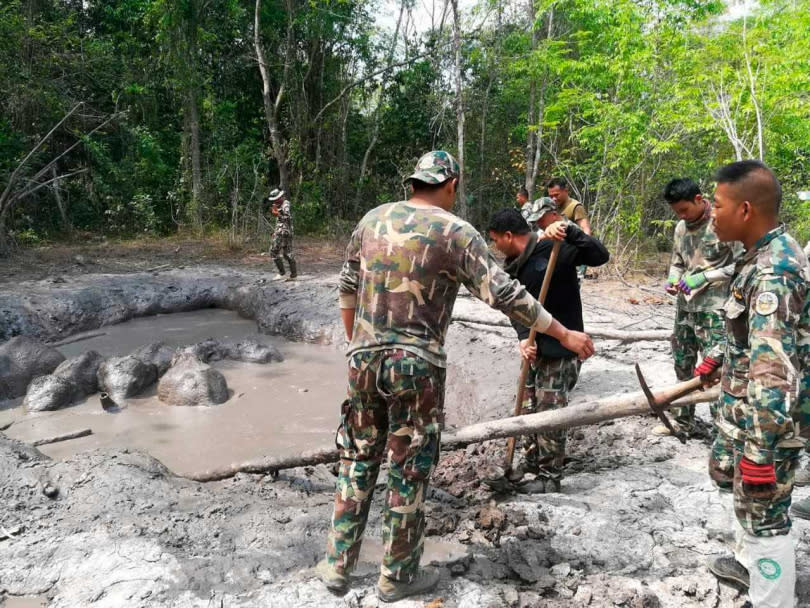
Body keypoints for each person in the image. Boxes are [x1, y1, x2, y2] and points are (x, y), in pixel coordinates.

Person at [317, 151, 595, 602]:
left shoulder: (372, 220)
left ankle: (336, 566)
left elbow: (347, 287)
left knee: (357, 459)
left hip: (363, 361)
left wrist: (357, 344)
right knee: (409, 468)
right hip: (416, 365)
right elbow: (505, 293)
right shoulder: (455, 231)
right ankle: (396, 578)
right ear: (452, 184)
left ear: (413, 183)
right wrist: (562, 332)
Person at [705, 160, 809, 608]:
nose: (711, 212)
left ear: (745, 209)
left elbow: (773, 370)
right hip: (746, 416)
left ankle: (771, 600)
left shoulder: (773, 273)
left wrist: (760, 452)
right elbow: (751, 343)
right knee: (747, 501)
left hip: (768, 426)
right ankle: (751, 567)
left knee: (766, 514)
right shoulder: (757, 256)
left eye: (718, 204)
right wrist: (718, 358)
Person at [488, 203, 609, 492]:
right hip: (534, 348)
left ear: (507, 235)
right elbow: (516, 309)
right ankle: (532, 462)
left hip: (562, 350)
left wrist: (571, 231)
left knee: (550, 414)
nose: (495, 247)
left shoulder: (554, 248)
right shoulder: (514, 266)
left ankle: (549, 478)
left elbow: (600, 256)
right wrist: (521, 338)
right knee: (529, 410)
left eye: (495, 240)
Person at [657, 178, 741, 448]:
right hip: (686, 307)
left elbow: (741, 265)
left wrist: (705, 277)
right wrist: (673, 278)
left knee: (715, 367)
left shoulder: (722, 224)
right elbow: (678, 261)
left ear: (698, 199)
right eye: (676, 212)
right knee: (682, 363)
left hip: (714, 308)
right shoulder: (681, 227)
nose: (681, 216)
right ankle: (683, 421)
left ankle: (723, 432)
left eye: (684, 209)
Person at [267, 188, 297, 281]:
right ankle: (293, 275)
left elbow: (287, 218)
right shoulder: (281, 205)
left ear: (280, 197)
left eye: (276, 199)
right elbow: (280, 221)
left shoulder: (285, 204)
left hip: (284, 233)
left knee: (273, 251)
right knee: (287, 253)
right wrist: (275, 232)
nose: (275, 201)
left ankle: (282, 274)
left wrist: (278, 214)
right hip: (283, 232)